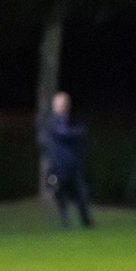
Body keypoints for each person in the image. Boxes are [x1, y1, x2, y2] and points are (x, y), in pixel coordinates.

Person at [43, 91, 94, 228]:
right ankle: (65, 221)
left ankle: (86, 221)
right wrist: (79, 132)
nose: (61, 107)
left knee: (81, 194)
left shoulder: (69, 120)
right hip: (59, 166)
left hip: (73, 165)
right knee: (61, 194)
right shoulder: (54, 122)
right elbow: (64, 134)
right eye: (59, 103)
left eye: (63, 103)